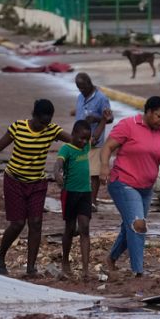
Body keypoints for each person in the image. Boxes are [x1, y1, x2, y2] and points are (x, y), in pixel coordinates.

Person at [0, 99, 71, 276]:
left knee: (36, 223)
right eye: (41, 121)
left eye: (48, 122)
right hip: (14, 180)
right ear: (33, 115)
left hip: (37, 183)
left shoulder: (52, 130)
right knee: (18, 223)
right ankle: (0, 257)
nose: (44, 126)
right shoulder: (18, 127)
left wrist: (90, 133)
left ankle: (31, 268)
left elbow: (75, 140)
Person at [100, 96, 160, 277]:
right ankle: (138, 272)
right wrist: (104, 167)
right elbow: (108, 147)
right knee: (138, 224)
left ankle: (111, 259)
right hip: (123, 182)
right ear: (148, 112)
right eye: (158, 116)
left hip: (146, 188)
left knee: (131, 226)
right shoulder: (128, 125)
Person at [54, 120, 93, 280]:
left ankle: (85, 269)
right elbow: (59, 163)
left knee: (84, 227)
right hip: (70, 193)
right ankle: (65, 262)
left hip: (85, 192)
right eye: (81, 138)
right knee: (69, 228)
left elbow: (96, 136)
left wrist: (104, 121)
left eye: (86, 139)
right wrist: (57, 174)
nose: (84, 142)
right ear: (73, 134)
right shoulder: (66, 148)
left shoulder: (86, 146)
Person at [73, 73, 112, 210]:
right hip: (79, 140)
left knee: (94, 173)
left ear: (90, 83)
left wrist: (96, 118)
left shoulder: (101, 98)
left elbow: (109, 118)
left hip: (95, 140)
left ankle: (92, 201)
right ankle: (81, 199)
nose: (81, 90)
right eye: (79, 88)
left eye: (83, 87)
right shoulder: (80, 97)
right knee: (80, 170)